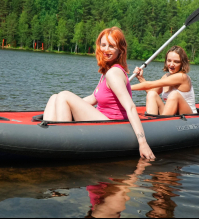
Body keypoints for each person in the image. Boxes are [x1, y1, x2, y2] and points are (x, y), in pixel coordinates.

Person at [43, 27, 155, 160]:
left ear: (120, 50)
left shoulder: (114, 73)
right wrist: (67, 106)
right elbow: (93, 98)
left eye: (112, 46)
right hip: (102, 120)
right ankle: (46, 137)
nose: (106, 49)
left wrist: (142, 143)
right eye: (103, 45)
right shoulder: (106, 71)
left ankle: (62, 143)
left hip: (112, 126)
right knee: (54, 97)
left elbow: (130, 106)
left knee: (64, 95)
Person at [131, 45, 197, 115]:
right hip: (173, 115)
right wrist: (141, 78)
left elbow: (150, 84)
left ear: (182, 63)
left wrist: (125, 87)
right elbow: (151, 91)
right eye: (169, 61)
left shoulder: (182, 77)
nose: (171, 64)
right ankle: (152, 121)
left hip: (188, 116)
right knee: (152, 94)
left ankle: (161, 122)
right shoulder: (166, 76)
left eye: (176, 62)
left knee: (174, 94)